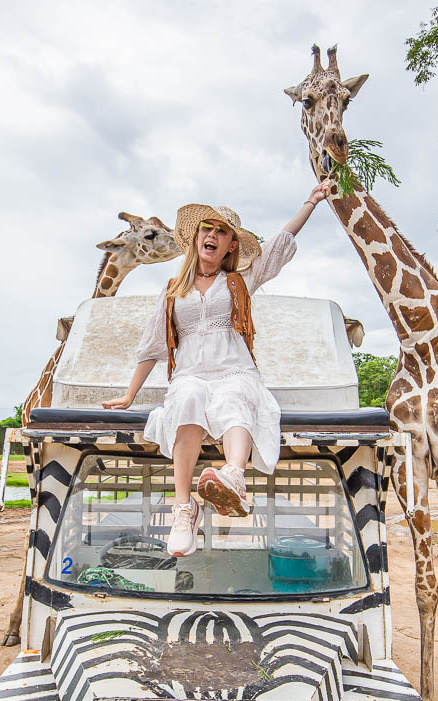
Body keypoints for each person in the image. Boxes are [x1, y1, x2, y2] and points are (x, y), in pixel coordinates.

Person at [103, 180, 332, 557]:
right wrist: (130, 393)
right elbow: (153, 343)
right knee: (188, 398)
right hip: (189, 373)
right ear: (196, 237)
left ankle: (234, 478)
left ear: (231, 244)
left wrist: (311, 201)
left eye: (222, 231)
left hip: (234, 369)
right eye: (207, 228)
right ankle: (184, 509)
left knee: (234, 397)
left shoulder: (241, 280)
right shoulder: (173, 288)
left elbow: (280, 242)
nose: (212, 235)